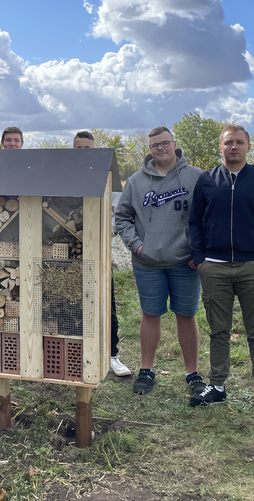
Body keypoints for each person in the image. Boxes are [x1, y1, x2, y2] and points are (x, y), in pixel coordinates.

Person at [115, 126, 206, 395]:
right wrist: (137, 246)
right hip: (148, 262)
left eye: (165, 143)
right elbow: (122, 218)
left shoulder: (196, 177)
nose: (160, 149)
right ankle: (147, 370)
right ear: (150, 149)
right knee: (150, 314)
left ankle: (192, 372)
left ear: (174, 144)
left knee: (186, 315)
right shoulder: (136, 182)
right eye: (155, 145)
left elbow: (209, 216)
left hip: (185, 262)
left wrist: (199, 250)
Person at [189, 124, 254, 406]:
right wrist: (200, 257)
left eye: (239, 142)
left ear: (248, 146)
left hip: (251, 265)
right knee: (219, 330)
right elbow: (194, 220)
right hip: (214, 267)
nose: (234, 147)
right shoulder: (207, 180)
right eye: (228, 142)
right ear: (221, 147)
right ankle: (216, 386)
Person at [73, 131, 131, 377]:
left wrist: (108, 232)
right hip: (71, 250)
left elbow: (119, 213)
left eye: (88, 148)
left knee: (106, 302)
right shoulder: (65, 176)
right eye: (78, 149)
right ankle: (76, 353)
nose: (83, 153)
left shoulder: (109, 178)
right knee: (71, 303)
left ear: (95, 150)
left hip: (99, 251)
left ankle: (111, 355)